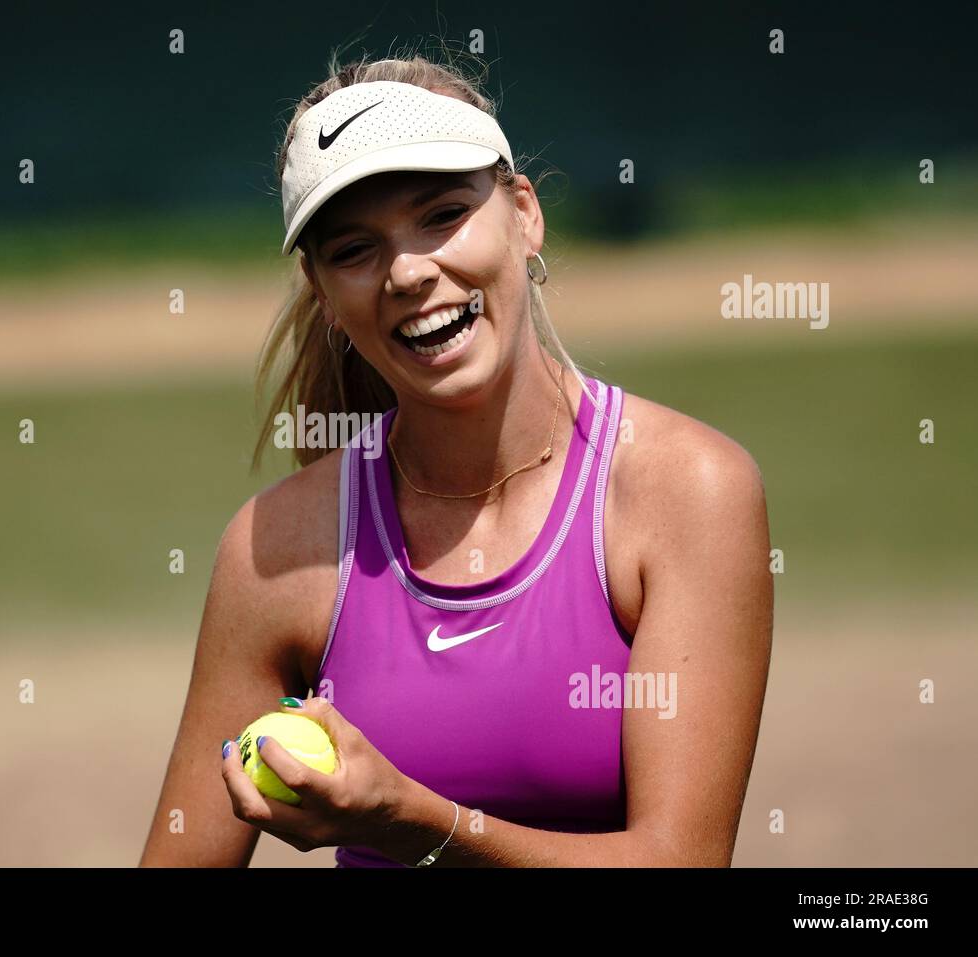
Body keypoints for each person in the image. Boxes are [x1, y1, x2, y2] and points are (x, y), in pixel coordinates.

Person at [139, 52, 772, 867]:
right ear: (323, 292)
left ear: (524, 213)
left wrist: (416, 819)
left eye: (442, 214)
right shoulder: (276, 548)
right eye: (355, 249)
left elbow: (682, 862)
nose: (407, 270)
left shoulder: (691, 491)